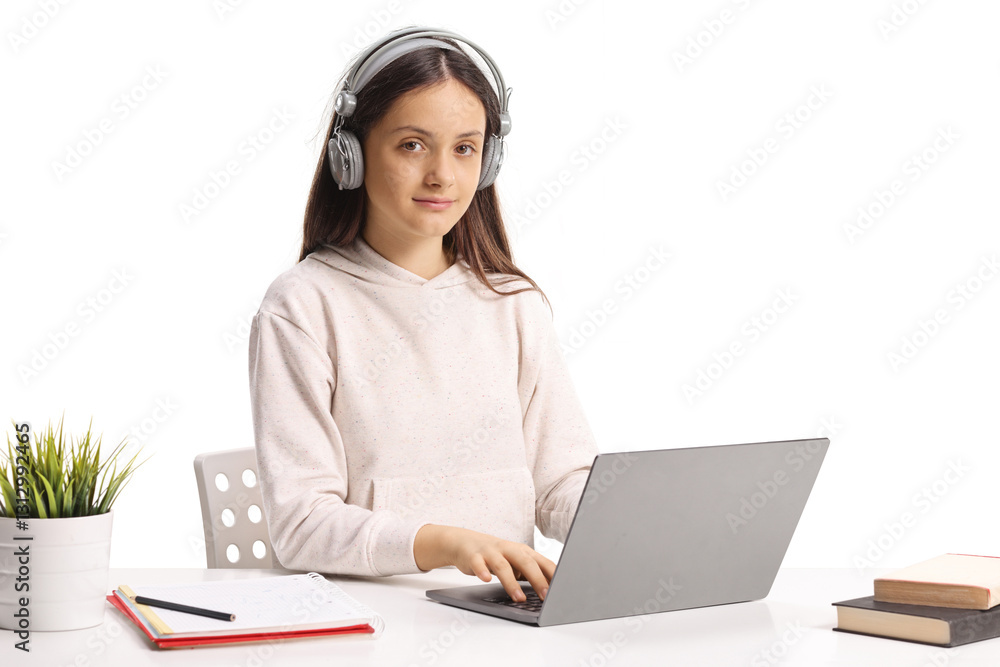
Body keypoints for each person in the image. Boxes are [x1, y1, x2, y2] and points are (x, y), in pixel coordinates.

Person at [248, 27, 599, 604]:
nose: (442, 175)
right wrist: (446, 544)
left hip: (502, 618)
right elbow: (302, 525)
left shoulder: (514, 304)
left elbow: (559, 482)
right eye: (412, 145)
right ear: (350, 155)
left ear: (488, 161)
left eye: (465, 148)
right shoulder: (303, 306)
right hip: (371, 618)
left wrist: (637, 519)